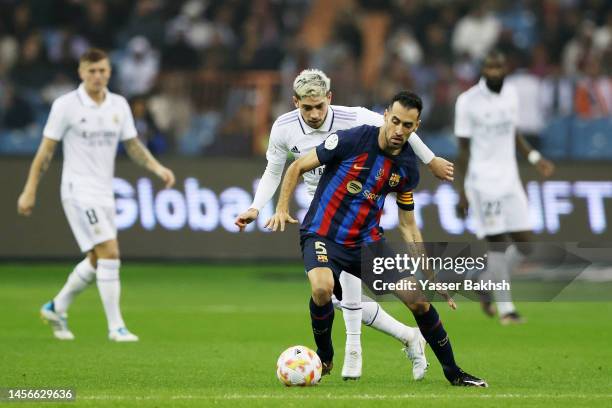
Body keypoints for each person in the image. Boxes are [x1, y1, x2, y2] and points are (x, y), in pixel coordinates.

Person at [235, 69, 454, 380]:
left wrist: (430, 160)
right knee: (331, 295)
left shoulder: (354, 118)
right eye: (305, 107)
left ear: (330, 100)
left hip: (354, 208)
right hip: (319, 207)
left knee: (347, 295)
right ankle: (405, 336)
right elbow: (275, 170)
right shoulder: (283, 127)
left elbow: (400, 125)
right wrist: (258, 207)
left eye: (319, 107)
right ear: (295, 102)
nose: (313, 114)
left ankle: (354, 354)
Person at [265, 90, 487, 387]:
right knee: (322, 288)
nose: (398, 130)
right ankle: (325, 356)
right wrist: (281, 207)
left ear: (416, 126)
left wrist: (429, 275)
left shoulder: (407, 168)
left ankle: (454, 372)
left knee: (419, 302)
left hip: (367, 244)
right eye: (394, 121)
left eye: (407, 125)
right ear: (385, 116)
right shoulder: (352, 139)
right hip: (322, 234)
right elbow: (297, 166)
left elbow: (408, 225)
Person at [17, 48, 175, 342]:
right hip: (78, 190)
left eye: (102, 70)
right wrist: (29, 189)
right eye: (92, 71)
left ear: (109, 73)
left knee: (95, 257)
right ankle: (116, 327)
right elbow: (46, 151)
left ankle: (56, 306)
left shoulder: (118, 105)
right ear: (81, 73)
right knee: (110, 252)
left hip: (104, 191)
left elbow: (133, 145)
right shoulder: (66, 106)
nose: (98, 76)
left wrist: (157, 168)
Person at [455, 50, 555, 324]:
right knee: (497, 245)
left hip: (510, 180)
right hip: (482, 182)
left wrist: (535, 158)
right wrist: (461, 191)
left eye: (499, 67)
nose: (495, 72)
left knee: (526, 244)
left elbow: (513, 133)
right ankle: (507, 309)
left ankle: (484, 280)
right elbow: (462, 150)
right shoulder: (467, 102)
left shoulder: (511, 94)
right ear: (483, 70)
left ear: (505, 68)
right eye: (490, 67)